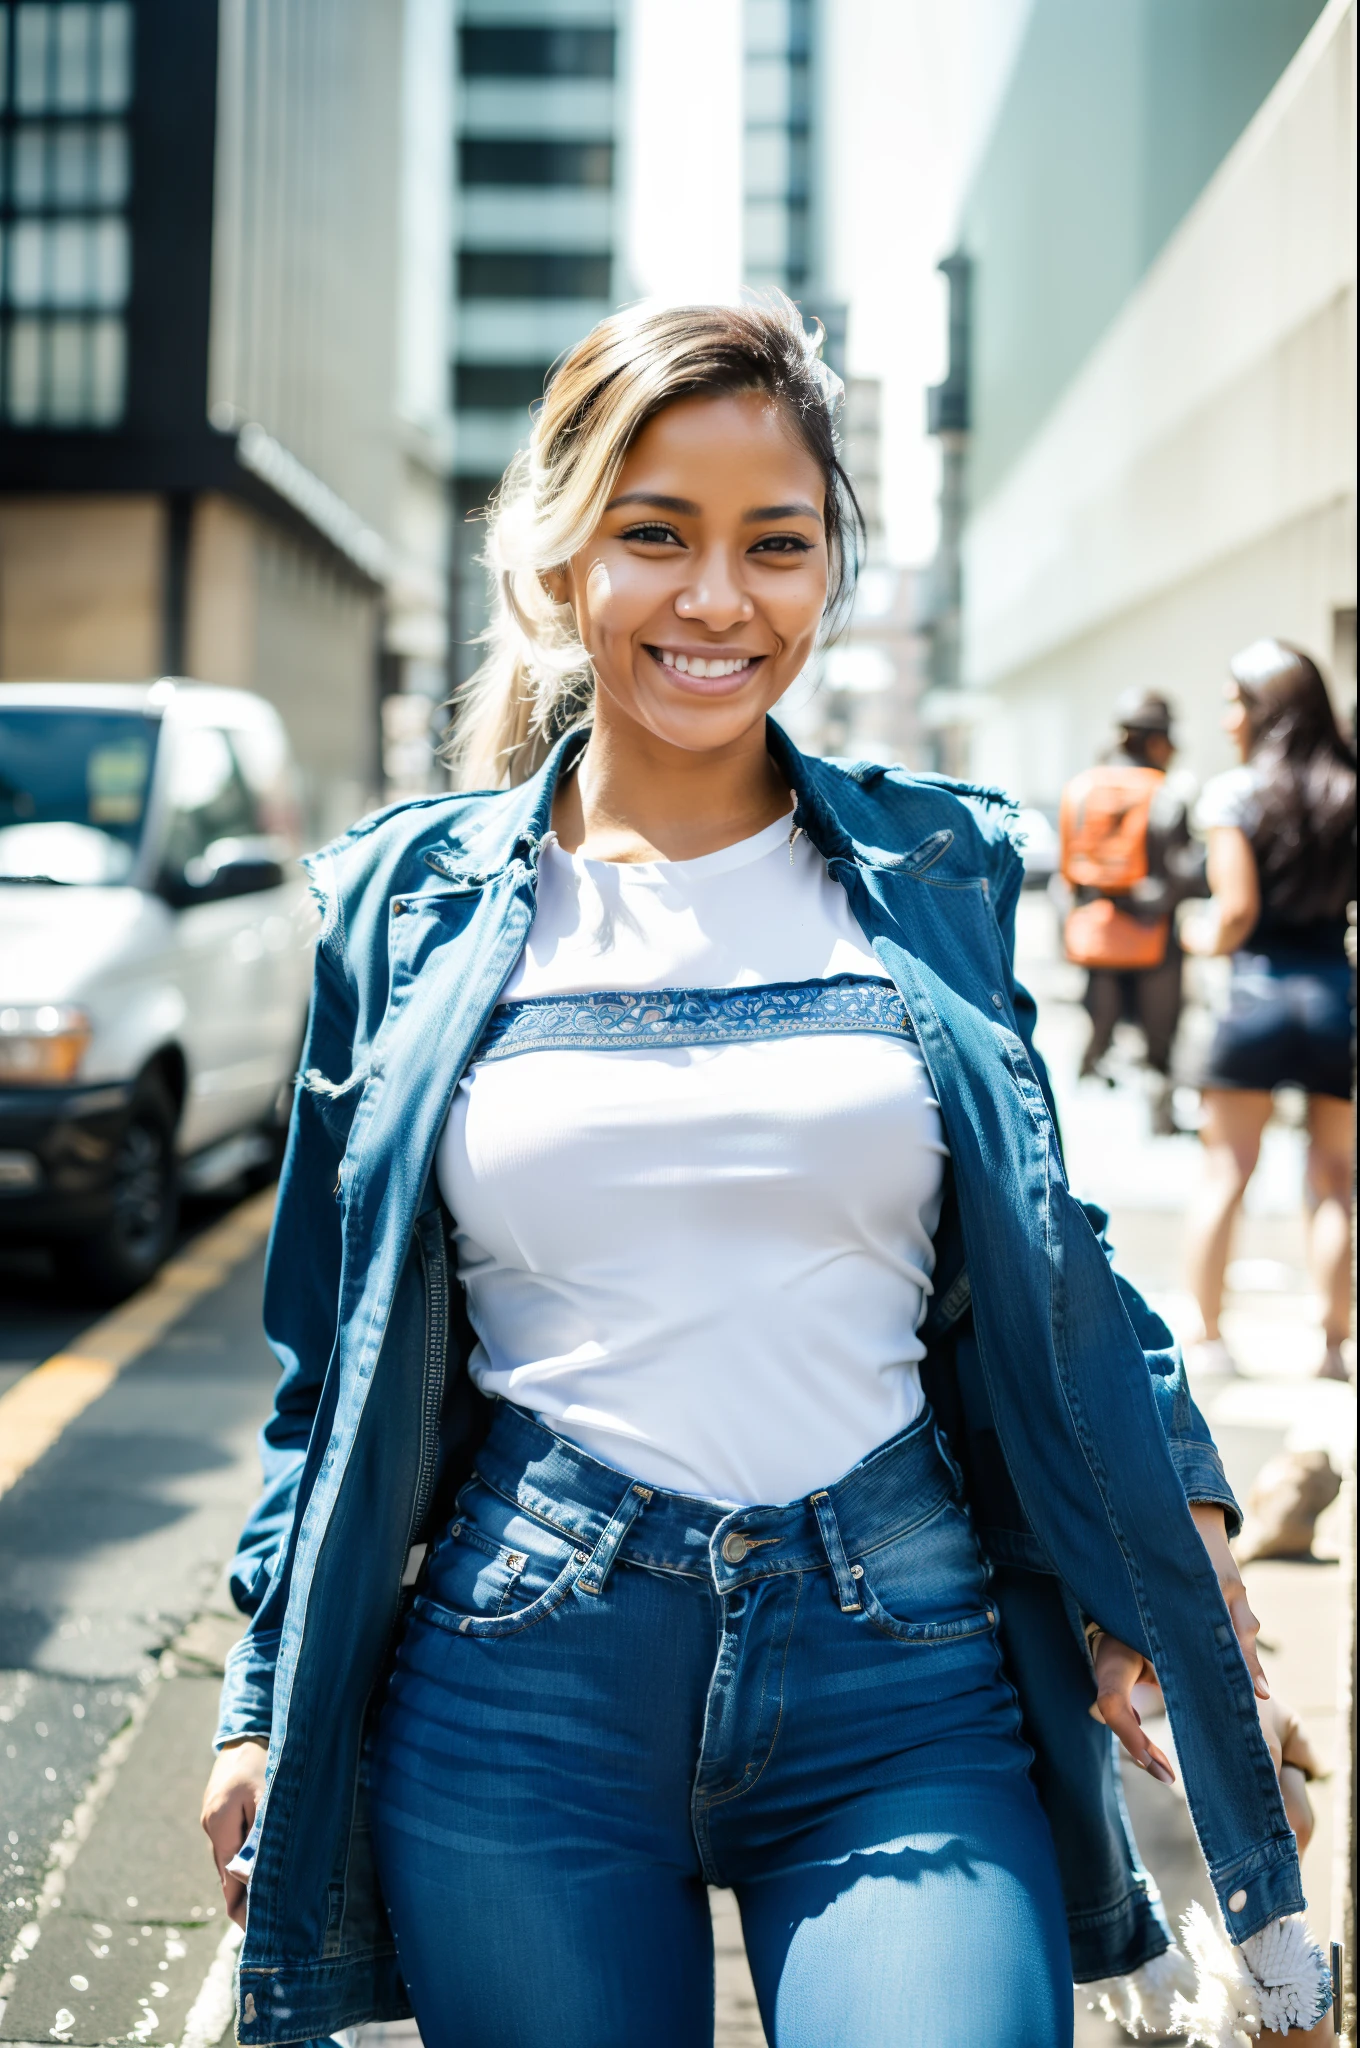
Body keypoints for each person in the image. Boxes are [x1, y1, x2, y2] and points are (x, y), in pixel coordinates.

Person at [200, 300, 1330, 2047]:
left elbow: (1055, 1264)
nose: (718, 598)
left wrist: (1186, 1608)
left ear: (828, 574)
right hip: (521, 1677)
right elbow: (322, 1364)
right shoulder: (408, 904)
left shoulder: (936, 865)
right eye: (657, 534)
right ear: (561, 558)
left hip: (907, 1666)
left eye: (775, 545)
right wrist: (262, 1696)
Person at [1182, 640, 1356, 1383]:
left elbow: (1236, 911)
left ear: (1267, 709)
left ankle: (1210, 1337)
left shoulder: (1234, 794)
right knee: (1334, 1179)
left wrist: (1196, 934)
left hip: (1253, 997)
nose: (1228, 719)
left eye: (1237, 702)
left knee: (1227, 1170)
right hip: (1334, 999)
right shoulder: (1351, 789)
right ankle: (1332, 1346)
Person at [1063, 690, 1204, 1133]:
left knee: (1098, 1027)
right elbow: (1182, 874)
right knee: (1158, 1037)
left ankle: (1080, 1120)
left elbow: (1067, 870)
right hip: (1154, 937)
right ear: (1155, 741)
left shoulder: (1081, 789)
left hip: (1096, 932)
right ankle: (1161, 1117)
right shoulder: (1166, 793)